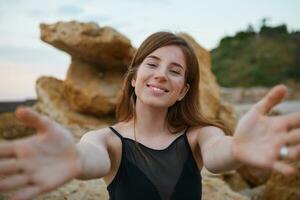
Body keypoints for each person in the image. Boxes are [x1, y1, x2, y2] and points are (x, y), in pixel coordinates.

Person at [0, 31, 300, 200]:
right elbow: (89, 157)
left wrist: (236, 148)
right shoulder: (105, 141)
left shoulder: (198, 135)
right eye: (152, 64)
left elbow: (218, 153)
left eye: (175, 70)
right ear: (134, 78)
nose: (161, 75)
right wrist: (74, 161)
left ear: (183, 90)